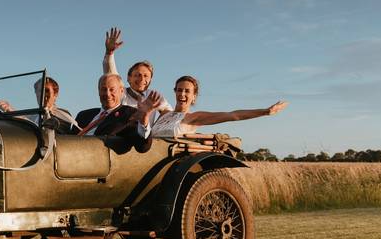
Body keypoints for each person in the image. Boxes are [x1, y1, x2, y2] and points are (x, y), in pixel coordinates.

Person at [146, 76, 288, 137]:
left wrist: (265, 111)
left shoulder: (194, 117)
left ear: (194, 96)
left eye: (187, 91)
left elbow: (233, 115)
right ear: (175, 91)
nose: (182, 94)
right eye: (179, 90)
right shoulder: (164, 114)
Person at [101, 27, 172, 124]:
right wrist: (109, 53)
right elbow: (111, 75)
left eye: (146, 76)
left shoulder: (154, 96)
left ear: (150, 80)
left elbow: (170, 114)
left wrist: (155, 127)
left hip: (143, 136)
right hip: (118, 137)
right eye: (137, 75)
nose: (142, 79)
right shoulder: (121, 92)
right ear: (128, 78)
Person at [75, 73, 157, 152]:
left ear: (121, 91)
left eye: (112, 89)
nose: (107, 94)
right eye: (103, 89)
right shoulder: (83, 115)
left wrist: (144, 120)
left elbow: (142, 147)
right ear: (98, 91)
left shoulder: (129, 114)